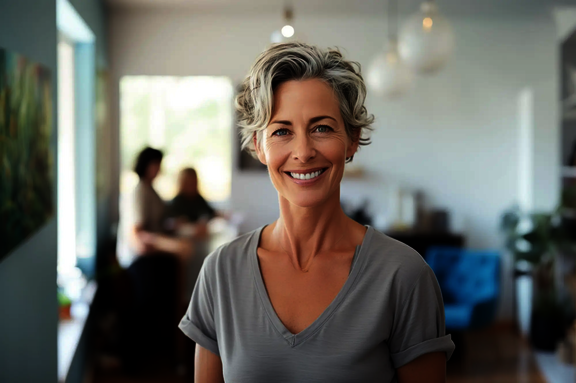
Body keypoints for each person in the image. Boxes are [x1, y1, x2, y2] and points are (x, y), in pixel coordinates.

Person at [179, 42, 454, 382]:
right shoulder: (221, 273)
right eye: (281, 131)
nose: (303, 152)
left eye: (321, 128)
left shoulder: (403, 275)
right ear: (257, 146)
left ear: (352, 138)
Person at [119, 147, 191, 373]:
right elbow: (139, 235)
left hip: (152, 258)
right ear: (147, 165)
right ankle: (136, 361)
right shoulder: (140, 191)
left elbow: (158, 222)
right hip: (139, 261)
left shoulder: (151, 191)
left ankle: (172, 351)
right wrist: (171, 245)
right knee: (145, 307)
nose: (158, 169)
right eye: (155, 164)